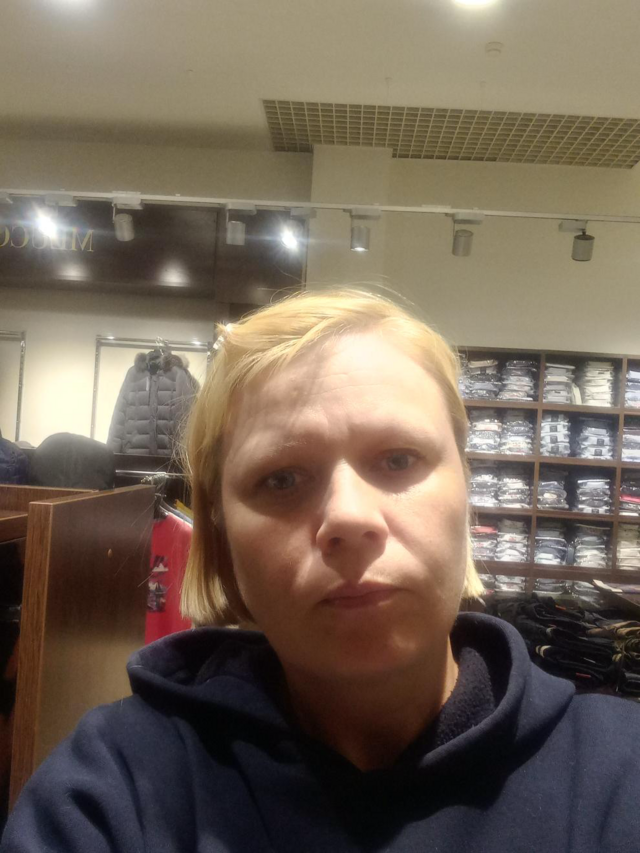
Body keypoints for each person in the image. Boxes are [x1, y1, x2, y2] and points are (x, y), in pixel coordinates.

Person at [3, 288, 640, 852]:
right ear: (220, 528)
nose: (349, 517)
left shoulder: (620, 776)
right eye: (282, 478)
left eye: (398, 459)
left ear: (465, 486)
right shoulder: (115, 789)